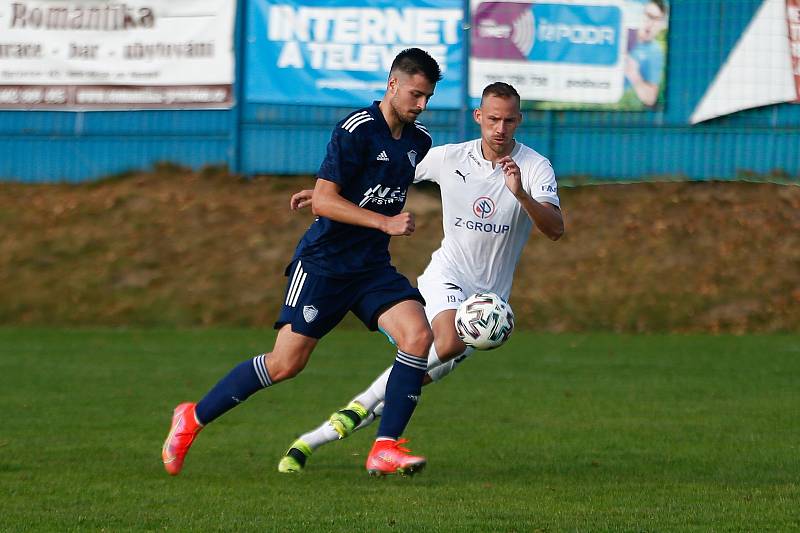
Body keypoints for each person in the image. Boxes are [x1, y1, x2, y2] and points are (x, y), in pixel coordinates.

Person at [161, 48, 443, 477]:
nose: (421, 105)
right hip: (324, 265)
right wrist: (375, 218)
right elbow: (331, 199)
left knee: (418, 336)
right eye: (415, 94)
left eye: (427, 97)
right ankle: (192, 418)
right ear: (392, 84)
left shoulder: (418, 142)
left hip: (370, 268)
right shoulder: (355, 129)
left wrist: (330, 200)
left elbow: (351, 189)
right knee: (286, 364)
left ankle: (385, 446)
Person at [278, 82, 564, 473]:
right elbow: (385, 170)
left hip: (489, 303)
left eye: (509, 120)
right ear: (479, 117)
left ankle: (322, 435)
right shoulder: (450, 158)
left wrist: (521, 194)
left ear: (519, 121)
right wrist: (325, 193)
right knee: (442, 343)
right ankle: (367, 418)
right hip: (448, 275)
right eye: (493, 118)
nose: (500, 128)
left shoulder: (534, 167)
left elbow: (555, 229)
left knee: (410, 382)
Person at [624, 0, 668, 107]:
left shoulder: (654, 52)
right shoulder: (621, 32)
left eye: (658, 20)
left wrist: (634, 75)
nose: (652, 23)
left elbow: (650, 99)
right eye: (649, 16)